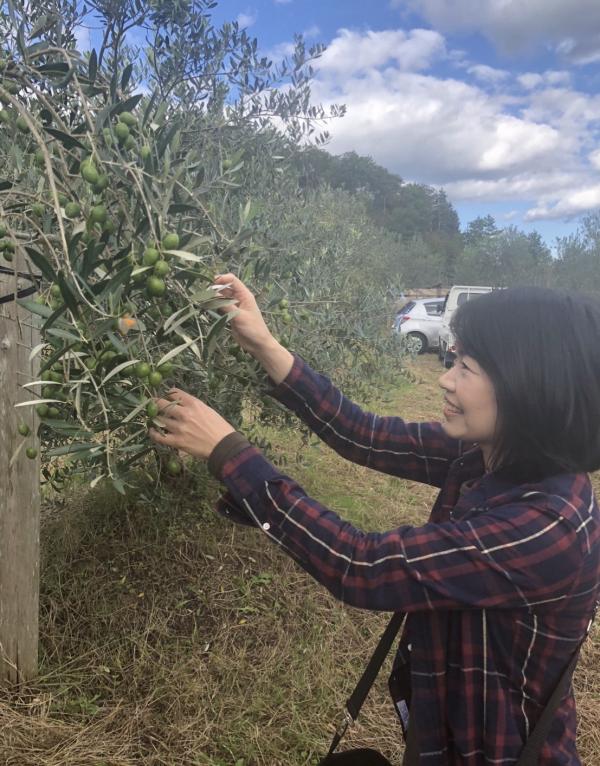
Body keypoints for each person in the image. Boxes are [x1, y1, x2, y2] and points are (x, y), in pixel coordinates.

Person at [149, 278, 600, 766]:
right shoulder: (490, 453)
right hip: (445, 736)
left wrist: (228, 452)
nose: (445, 379)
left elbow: (362, 566)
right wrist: (263, 342)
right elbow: (364, 434)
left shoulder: (548, 527)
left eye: (467, 367)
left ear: (529, 389)